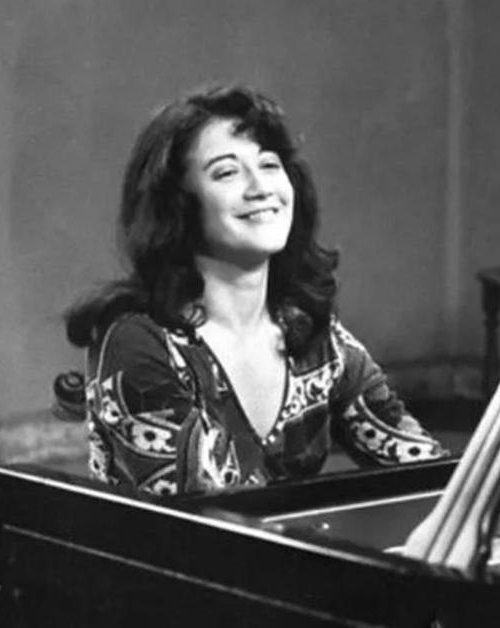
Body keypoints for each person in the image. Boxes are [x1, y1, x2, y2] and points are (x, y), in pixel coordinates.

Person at [65, 84, 447, 496]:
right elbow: (198, 520)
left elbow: (425, 470)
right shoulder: (138, 342)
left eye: (269, 164)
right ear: (176, 204)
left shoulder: (311, 335)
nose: (260, 187)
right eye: (227, 172)